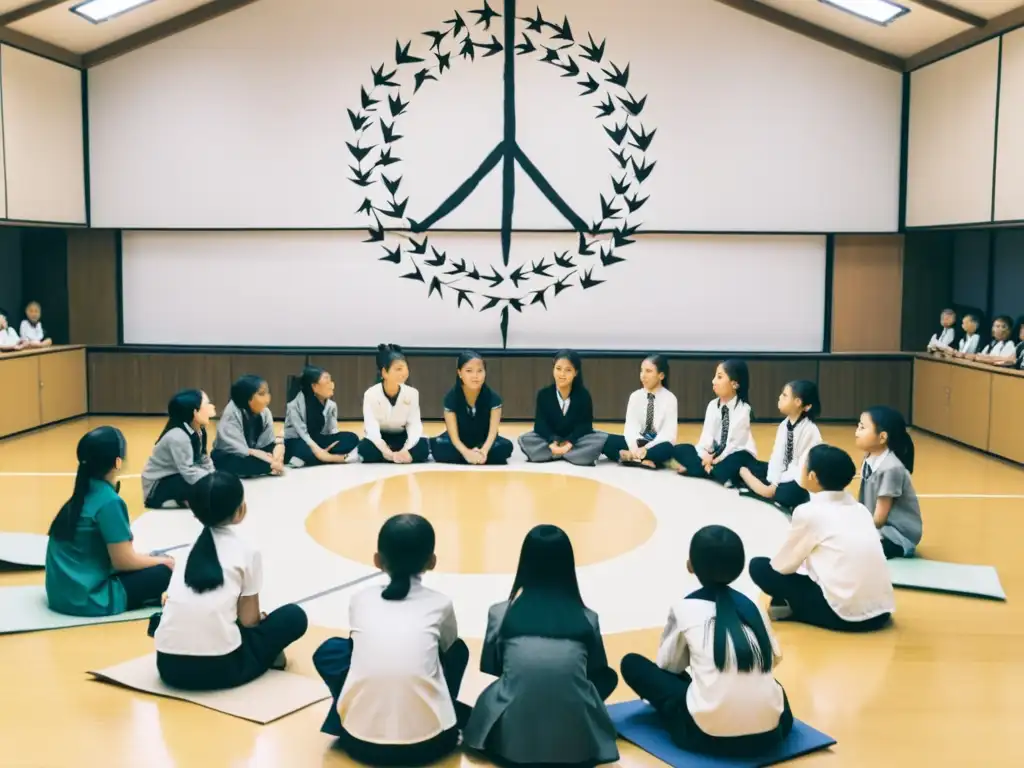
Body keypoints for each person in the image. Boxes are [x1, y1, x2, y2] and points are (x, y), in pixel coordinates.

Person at [620, 525, 792, 758]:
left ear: (690, 566)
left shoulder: (685, 608)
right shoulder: (755, 609)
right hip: (770, 735)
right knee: (769, 684)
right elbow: (773, 659)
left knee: (632, 664)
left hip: (703, 737)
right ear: (740, 567)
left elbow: (669, 667)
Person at [312, 514, 468, 766]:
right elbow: (449, 648)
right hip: (431, 746)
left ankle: (350, 711)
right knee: (458, 650)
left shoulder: (360, 600)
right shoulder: (440, 603)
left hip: (357, 742)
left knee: (335, 650)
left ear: (377, 560)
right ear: (432, 561)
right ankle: (440, 709)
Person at [463, 525, 620, 767]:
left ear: (525, 563)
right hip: (577, 747)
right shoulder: (588, 618)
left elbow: (492, 667)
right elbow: (595, 671)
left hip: (511, 745)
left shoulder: (500, 614)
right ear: (568, 566)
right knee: (607, 677)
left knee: (506, 684)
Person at [153, 472, 308, 689]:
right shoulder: (247, 551)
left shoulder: (186, 552)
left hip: (168, 667)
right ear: (240, 511)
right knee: (293, 616)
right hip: (222, 669)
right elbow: (249, 621)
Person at [748, 444, 895, 632]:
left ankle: (798, 611)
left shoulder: (808, 512)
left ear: (812, 477)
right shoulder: (861, 510)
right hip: (881, 613)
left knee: (759, 567)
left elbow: (783, 566)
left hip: (844, 617)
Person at [45, 426, 173, 616]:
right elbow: (123, 561)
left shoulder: (82, 492)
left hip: (61, 595)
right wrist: (164, 561)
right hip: (90, 599)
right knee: (165, 571)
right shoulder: (109, 501)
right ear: (118, 462)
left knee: (153, 561)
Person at [738, 380, 822, 510]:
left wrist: (775, 484)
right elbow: (777, 457)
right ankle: (765, 489)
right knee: (752, 465)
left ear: (798, 402)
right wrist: (774, 479)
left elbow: (801, 467)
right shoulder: (784, 425)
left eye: (784, 395)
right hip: (782, 475)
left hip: (799, 479)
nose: (779, 398)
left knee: (791, 492)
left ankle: (764, 490)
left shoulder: (810, 431)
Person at [518, 349, 608, 466]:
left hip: (574, 441)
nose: (562, 374)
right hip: (551, 440)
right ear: (553, 369)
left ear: (576, 372)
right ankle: (572, 455)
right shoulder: (544, 394)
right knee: (526, 439)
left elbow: (585, 426)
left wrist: (569, 444)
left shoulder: (583, 395)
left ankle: (554, 454)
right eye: (558, 369)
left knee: (599, 438)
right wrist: (551, 443)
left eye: (568, 370)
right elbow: (540, 425)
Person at [674, 360, 756, 485]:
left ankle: (701, 470)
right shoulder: (712, 405)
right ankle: (712, 472)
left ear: (734, 384)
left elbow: (733, 445)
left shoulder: (744, 410)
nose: (713, 381)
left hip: (734, 454)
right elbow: (706, 439)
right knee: (679, 450)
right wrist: (705, 455)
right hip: (714, 455)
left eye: (719, 377)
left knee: (735, 462)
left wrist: (715, 459)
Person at [855, 406, 921, 559]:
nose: (856, 431)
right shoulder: (869, 458)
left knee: (856, 550)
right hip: (879, 529)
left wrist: (857, 529)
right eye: (858, 426)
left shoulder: (891, 469)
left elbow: (879, 518)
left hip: (896, 536)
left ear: (882, 437)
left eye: (862, 427)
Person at [431, 351, 514, 465]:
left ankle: (476, 456)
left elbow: (492, 433)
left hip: (484, 441)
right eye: (469, 371)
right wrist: (466, 452)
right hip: (459, 442)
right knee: (438, 446)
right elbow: (453, 436)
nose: (475, 376)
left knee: (505, 447)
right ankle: (471, 456)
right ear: (460, 373)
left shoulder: (493, 398)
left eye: (480, 371)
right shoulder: (451, 398)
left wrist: (484, 451)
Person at [141, 390, 216, 508]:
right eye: (206, 404)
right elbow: (187, 471)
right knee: (203, 488)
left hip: (177, 474)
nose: (212, 406)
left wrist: (214, 475)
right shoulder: (178, 436)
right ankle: (163, 500)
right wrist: (211, 482)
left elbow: (203, 457)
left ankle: (181, 500)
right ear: (195, 413)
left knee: (210, 484)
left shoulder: (200, 430)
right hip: (158, 485)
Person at [601, 354, 677, 469]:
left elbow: (668, 434)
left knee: (668, 448)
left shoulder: (670, 398)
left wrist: (646, 449)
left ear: (661, 375)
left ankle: (631, 458)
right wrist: (634, 447)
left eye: (648, 371)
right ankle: (644, 460)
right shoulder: (635, 396)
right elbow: (630, 427)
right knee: (606, 440)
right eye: (642, 371)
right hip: (637, 442)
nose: (643, 376)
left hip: (655, 444)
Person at [358, 344, 430, 464]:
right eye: (398, 369)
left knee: (423, 446)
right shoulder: (370, 394)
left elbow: (414, 425)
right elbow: (372, 428)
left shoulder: (412, 393)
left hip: (402, 436)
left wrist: (406, 449)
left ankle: (400, 456)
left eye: (405, 368)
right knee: (365, 449)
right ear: (384, 372)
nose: (404, 372)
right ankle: (391, 456)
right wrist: (386, 451)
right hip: (381, 437)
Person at [210, 375, 285, 477]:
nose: (267, 399)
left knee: (285, 448)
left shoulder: (265, 412)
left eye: (268, 393)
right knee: (233, 462)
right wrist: (263, 457)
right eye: (261, 394)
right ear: (247, 397)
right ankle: (271, 466)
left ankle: (271, 466)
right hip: (232, 454)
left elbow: (267, 443)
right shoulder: (232, 412)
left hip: (255, 452)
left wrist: (276, 452)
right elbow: (236, 448)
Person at [283, 366, 358, 467]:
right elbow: (302, 434)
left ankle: (307, 459)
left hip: (319, 440)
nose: (332, 385)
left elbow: (333, 431)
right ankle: (331, 458)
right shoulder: (294, 405)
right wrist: (320, 452)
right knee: (302, 449)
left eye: (331, 381)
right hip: (300, 441)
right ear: (314, 386)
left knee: (352, 438)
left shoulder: (331, 405)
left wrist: (334, 443)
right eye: (327, 382)